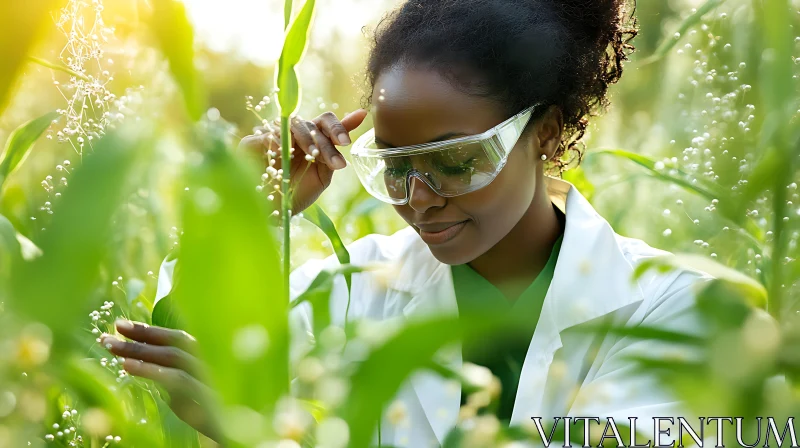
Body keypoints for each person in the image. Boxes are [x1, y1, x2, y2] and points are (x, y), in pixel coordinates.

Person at [100, 0, 715, 445]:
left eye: (453, 161)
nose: (419, 199)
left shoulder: (670, 310)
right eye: (394, 167)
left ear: (544, 131)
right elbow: (185, 340)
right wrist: (239, 212)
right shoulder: (355, 288)